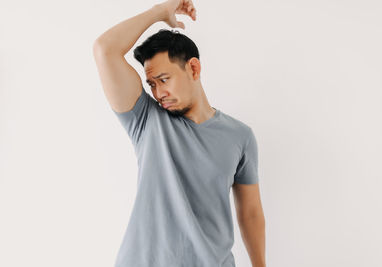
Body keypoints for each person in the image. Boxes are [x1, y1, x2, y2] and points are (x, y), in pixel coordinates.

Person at [93, 0, 266, 266]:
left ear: (193, 68)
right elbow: (105, 49)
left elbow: (251, 213)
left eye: (164, 80)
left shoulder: (240, 136)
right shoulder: (145, 119)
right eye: (151, 84)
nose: (158, 92)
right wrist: (158, 13)